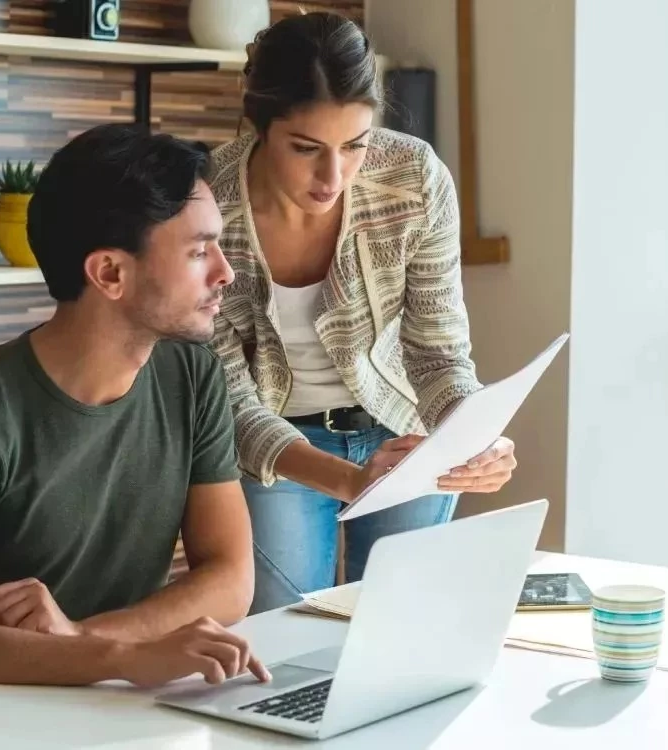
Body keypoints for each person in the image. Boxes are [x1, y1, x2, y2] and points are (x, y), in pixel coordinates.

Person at [208, 11, 518, 614]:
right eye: (306, 148)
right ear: (258, 124)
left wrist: (470, 433)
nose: (333, 177)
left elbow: (437, 352)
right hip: (276, 446)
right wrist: (347, 477)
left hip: (404, 434)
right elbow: (225, 398)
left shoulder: (414, 177)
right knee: (286, 635)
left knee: (407, 626)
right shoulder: (208, 204)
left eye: (355, 145)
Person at [0, 124, 270, 693]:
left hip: (120, 699)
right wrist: (117, 657)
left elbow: (230, 578)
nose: (225, 272)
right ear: (110, 274)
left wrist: (89, 642)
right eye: (198, 251)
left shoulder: (192, 374)